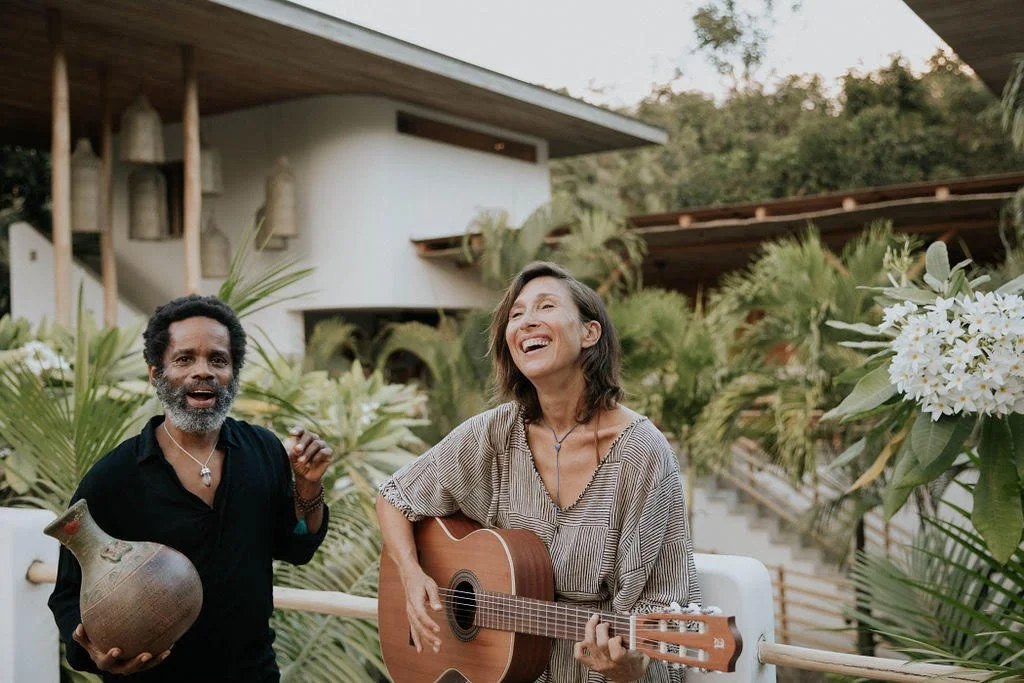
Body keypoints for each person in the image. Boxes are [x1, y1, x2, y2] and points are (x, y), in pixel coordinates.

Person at [376, 262, 701, 683]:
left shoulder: (643, 454)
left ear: (590, 333)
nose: (527, 320)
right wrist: (412, 573)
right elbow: (395, 497)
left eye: (545, 307)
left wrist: (626, 670)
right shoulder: (496, 433)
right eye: (516, 315)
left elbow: (661, 617)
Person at [49, 295, 333, 682]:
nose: (204, 371)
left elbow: (296, 545)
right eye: (184, 359)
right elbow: (67, 594)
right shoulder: (114, 478)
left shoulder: (263, 450)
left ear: (234, 372)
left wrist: (308, 484)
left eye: (218, 359)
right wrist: (94, 652)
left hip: (252, 673)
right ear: (156, 374)